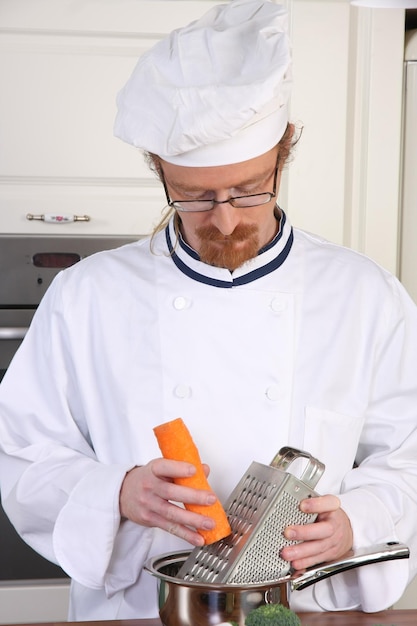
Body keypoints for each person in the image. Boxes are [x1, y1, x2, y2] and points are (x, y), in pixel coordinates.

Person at [1, 0, 417, 620]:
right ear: (157, 171)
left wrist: (358, 519)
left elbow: (406, 455)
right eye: (193, 197)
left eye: (249, 189)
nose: (224, 219)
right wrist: (115, 490)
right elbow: (22, 454)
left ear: (285, 150)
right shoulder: (86, 296)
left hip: (303, 604)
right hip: (144, 606)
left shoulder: (364, 295)